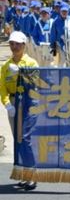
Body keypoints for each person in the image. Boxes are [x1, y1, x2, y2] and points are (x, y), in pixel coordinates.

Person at [0, 31, 38, 190]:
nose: (14, 47)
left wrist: (22, 73)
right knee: (18, 140)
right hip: (14, 103)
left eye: (17, 44)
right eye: (11, 44)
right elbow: (2, 87)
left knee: (26, 138)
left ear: (24, 45)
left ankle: (32, 175)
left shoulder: (31, 63)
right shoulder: (6, 65)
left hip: (29, 103)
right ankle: (23, 174)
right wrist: (7, 104)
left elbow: (36, 83)